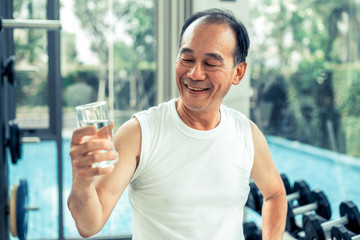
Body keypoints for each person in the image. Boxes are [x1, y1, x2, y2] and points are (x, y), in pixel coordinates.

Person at [68, 9, 287, 239]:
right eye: (187, 58)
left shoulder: (246, 133)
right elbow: (89, 225)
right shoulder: (140, 133)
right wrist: (81, 184)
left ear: (238, 73)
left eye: (211, 63)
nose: (194, 73)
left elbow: (274, 193)